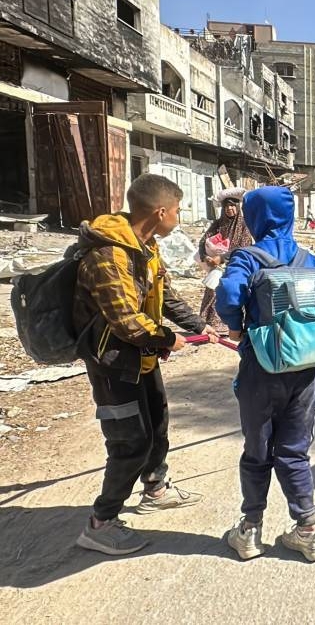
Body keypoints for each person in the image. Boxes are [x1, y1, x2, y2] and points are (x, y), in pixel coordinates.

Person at [73, 173, 218, 555]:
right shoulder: (109, 254)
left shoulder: (147, 247)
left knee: (157, 424)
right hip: (112, 362)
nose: (180, 218)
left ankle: (154, 487)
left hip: (141, 358)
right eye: (178, 211)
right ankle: (101, 522)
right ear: (160, 211)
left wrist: (203, 327)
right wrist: (171, 339)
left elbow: (166, 297)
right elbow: (124, 321)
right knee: (130, 442)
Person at [215, 186, 315, 562]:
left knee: (257, 451)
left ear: (253, 217)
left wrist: (234, 326)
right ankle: (309, 532)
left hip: (262, 368)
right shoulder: (309, 258)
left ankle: (249, 532)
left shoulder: (247, 258)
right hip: (306, 367)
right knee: (295, 451)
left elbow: (229, 296)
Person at [196, 188, 253, 335]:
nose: (229, 209)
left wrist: (222, 258)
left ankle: (229, 326)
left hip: (236, 266)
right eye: (226, 206)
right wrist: (205, 256)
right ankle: (209, 324)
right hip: (215, 267)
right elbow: (204, 240)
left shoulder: (244, 226)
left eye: (232, 206)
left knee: (229, 292)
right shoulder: (218, 224)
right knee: (212, 291)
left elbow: (244, 248)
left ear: (238, 207)